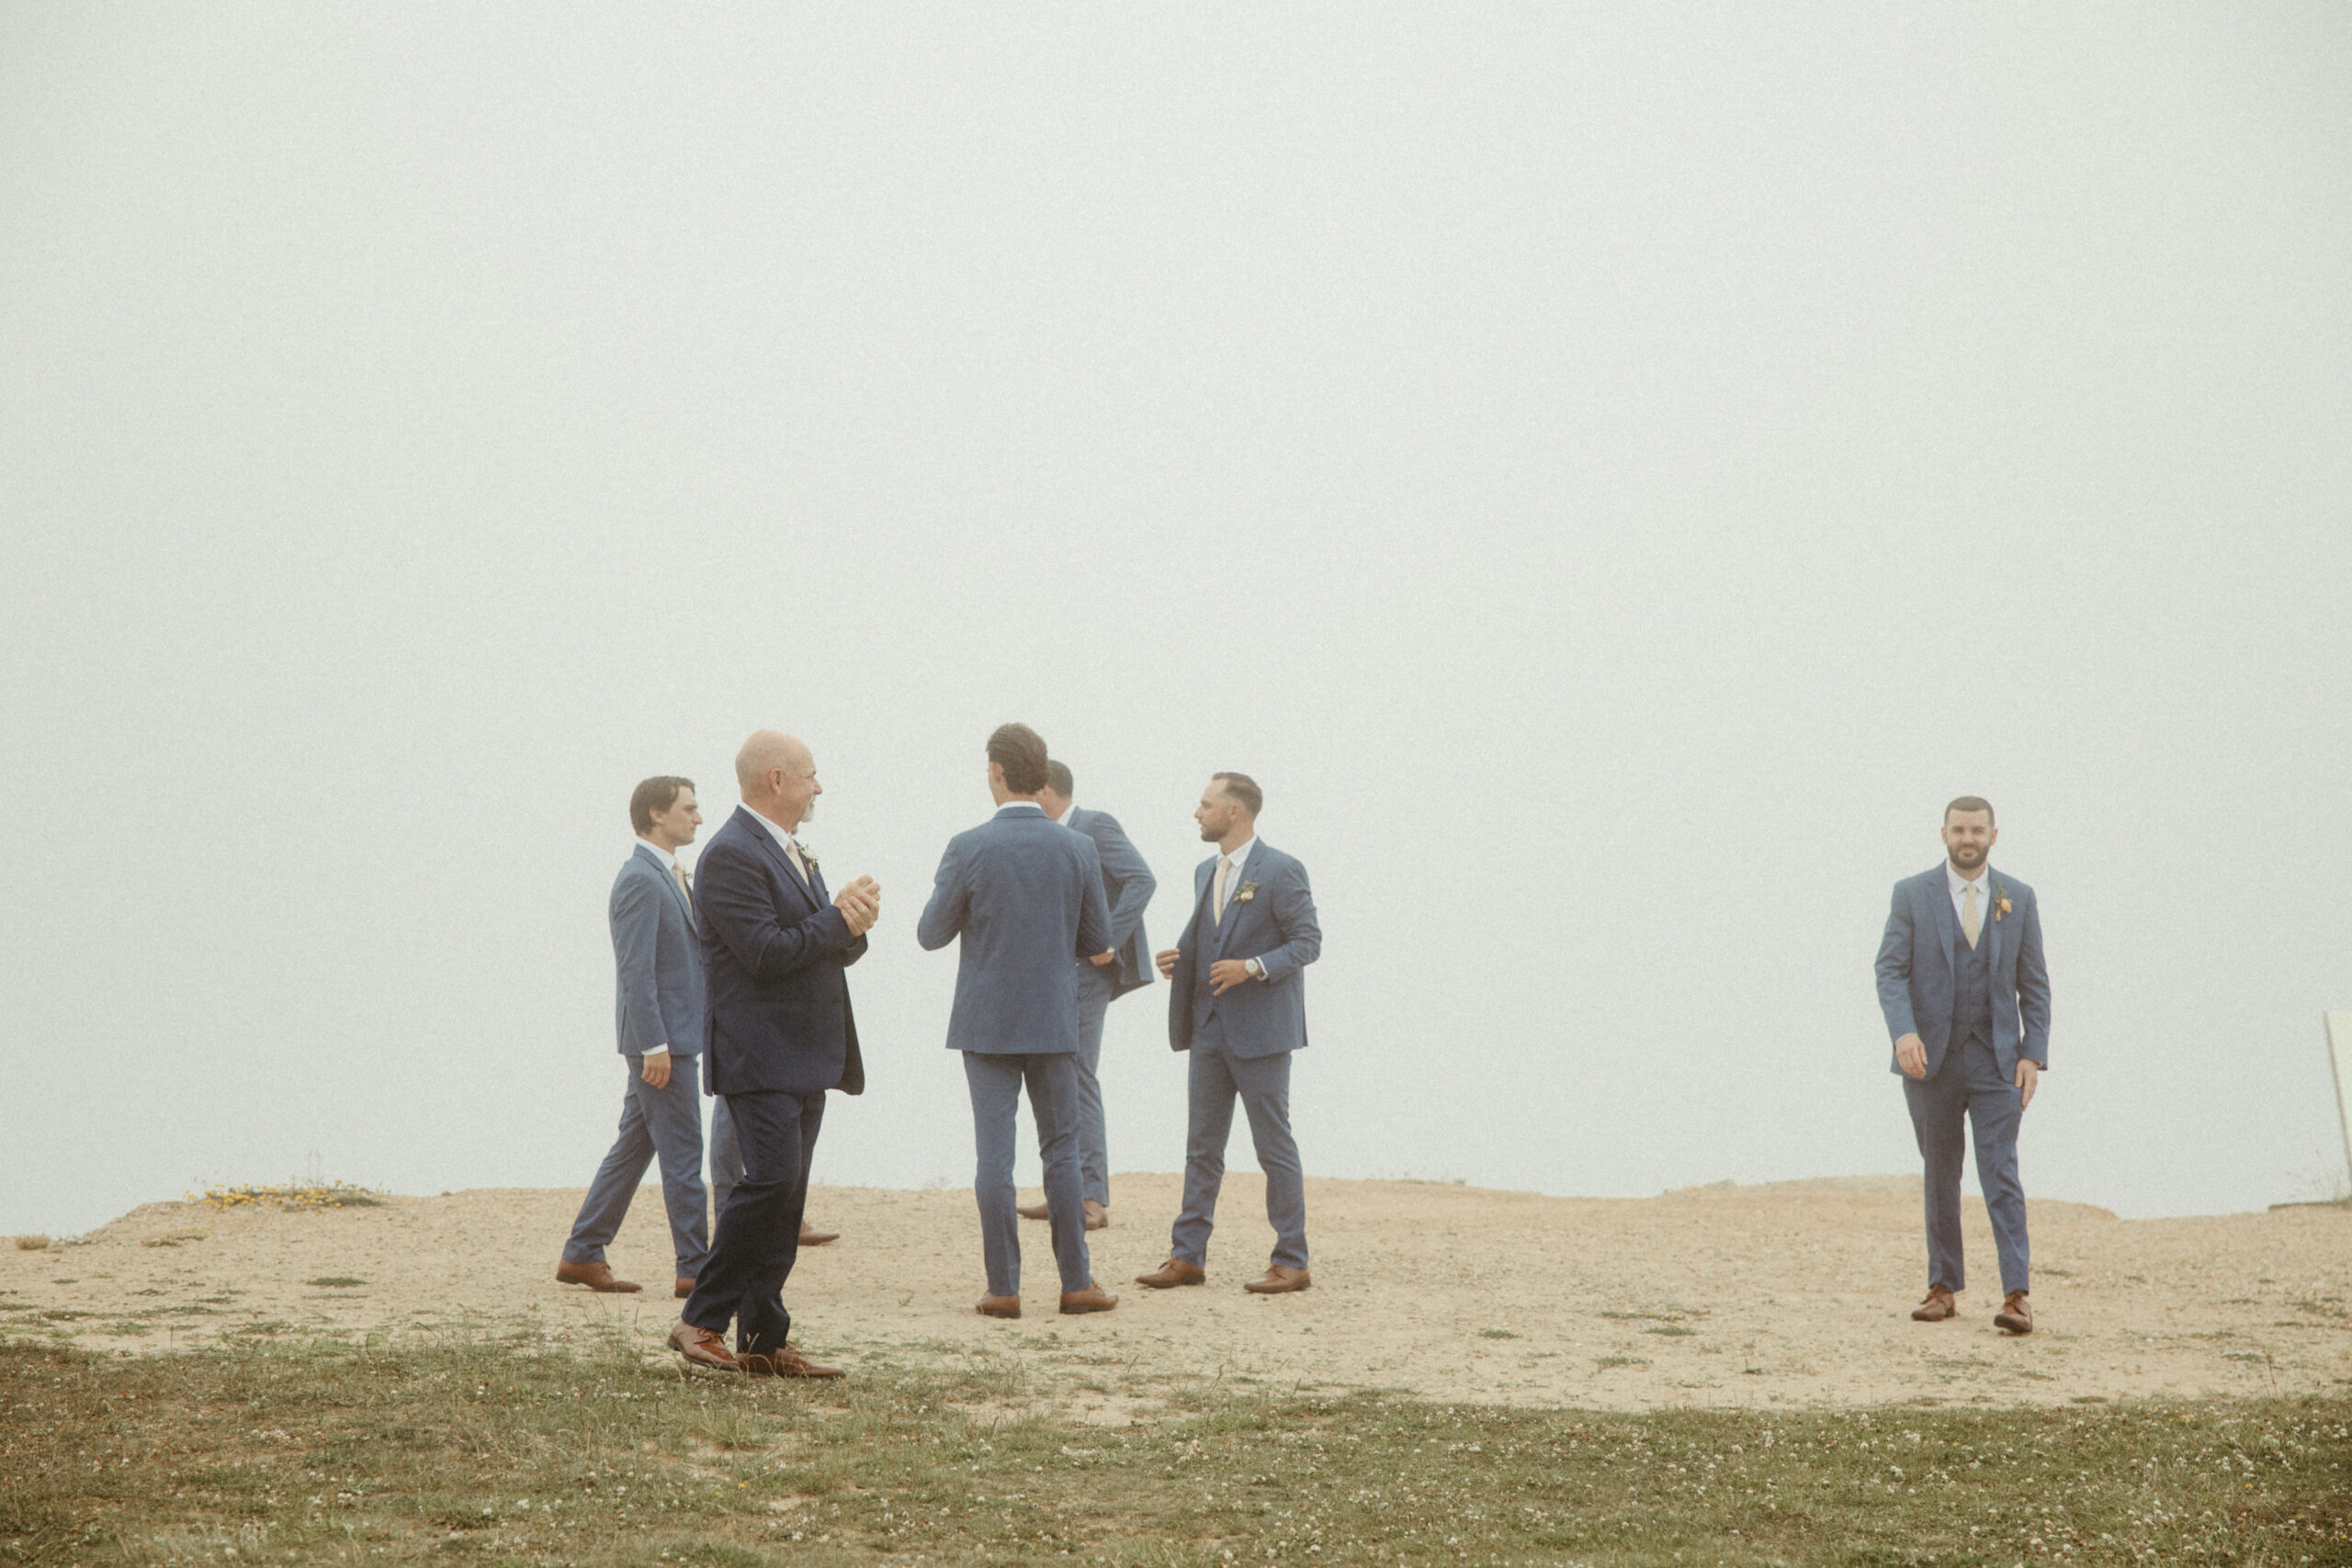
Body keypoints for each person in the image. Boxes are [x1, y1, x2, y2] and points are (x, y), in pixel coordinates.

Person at [669, 731, 878, 1377]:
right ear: (779, 779)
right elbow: (763, 951)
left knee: (787, 1194)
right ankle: (700, 1319)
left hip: (806, 1052)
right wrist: (836, 920)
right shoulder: (730, 853)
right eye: (813, 776)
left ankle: (763, 1338)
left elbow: (812, 943)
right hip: (759, 1052)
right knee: (766, 1183)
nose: (821, 788)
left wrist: (852, 922)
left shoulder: (788, 851)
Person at [916, 723, 1119, 1319]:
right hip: (1055, 1020)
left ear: (998, 772)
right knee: (1061, 1150)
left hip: (986, 1023)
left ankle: (1003, 1286)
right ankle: (1075, 1281)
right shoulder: (1078, 847)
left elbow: (931, 933)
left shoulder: (968, 845)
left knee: (994, 1157)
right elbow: (1099, 939)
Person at [1138, 773, 1322, 1295]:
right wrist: (1181, 959)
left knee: (1273, 1148)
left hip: (1262, 1033)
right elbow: (1214, 939)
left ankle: (1292, 1259)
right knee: (1202, 1147)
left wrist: (1254, 966)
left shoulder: (1282, 869)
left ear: (1234, 812)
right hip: (1208, 1029)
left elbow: (1307, 942)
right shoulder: (1204, 871)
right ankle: (1187, 1257)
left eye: (1205, 804)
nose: (1197, 813)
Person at [1874, 795, 2051, 1336]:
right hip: (1930, 1062)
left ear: (1994, 835)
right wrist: (1903, 1032)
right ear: (1943, 833)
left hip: (1998, 1062)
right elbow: (1889, 970)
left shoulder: (2017, 898)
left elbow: (2035, 984)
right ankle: (1943, 1287)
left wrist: (2032, 1054)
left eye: (1977, 830)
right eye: (1958, 830)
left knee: (2000, 1174)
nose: (1967, 838)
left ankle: (2016, 1295)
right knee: (1940, 1174)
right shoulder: (1911, 894)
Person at [557, 776, 712, 1299]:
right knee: (685, 1153)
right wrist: (654, 1046)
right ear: (656, 814)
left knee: (633, 1147)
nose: (698, 817)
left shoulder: (666, 874)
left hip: (674, 1038)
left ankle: (582, 1252)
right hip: (663, 1044)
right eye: (688, 809)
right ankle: (695, 1268)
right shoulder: (641, 879)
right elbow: (635, 972)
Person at [1016, 759, 1157, 1231]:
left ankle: (1091, 1196)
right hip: (1053, 973)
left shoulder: (1095, 825)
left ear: (1045, 791)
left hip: (1088, 973)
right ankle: (1064, 1192)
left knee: (1077, 1075)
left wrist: (1107, 940)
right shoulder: (1046, 838)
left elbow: (1142, 877)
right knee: (1053, 1073)